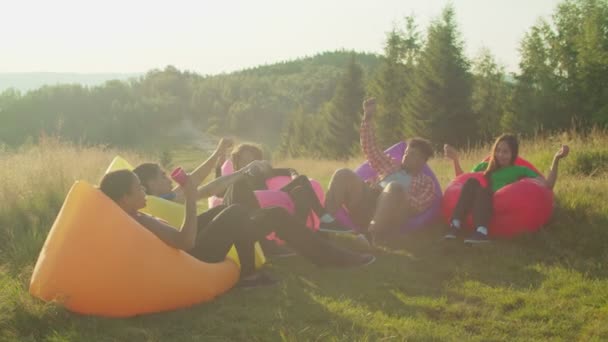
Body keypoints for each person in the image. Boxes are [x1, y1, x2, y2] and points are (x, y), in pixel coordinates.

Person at [103, 171, 375, 288]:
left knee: (265, 214)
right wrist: (190, 199)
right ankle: (332, 258)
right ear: (124, 198)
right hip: (195, 255)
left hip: (193, 249)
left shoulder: (132, 214)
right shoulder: (138, 219)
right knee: (238, 212)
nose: (143, 191)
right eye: (138, 188)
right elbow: (185, 242)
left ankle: (250, 272)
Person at [321, 98, 437, 243]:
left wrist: (393, 193)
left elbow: (417, 207)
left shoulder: (427, 183)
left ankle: (371, 235)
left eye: (412, 154)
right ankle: (326, 222)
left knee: (394, 187)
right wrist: (368, 118)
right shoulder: (391, 164)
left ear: (422, 160)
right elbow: (371, 149)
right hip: (367, 202)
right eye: (406, 152)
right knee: (343, 173)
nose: (406, 156)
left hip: (391, 214)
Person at [443, 133, 570, 243]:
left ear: (513, 154)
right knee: (471, 182)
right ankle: (455, 224)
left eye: (505, 152)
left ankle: (482, 232)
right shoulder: (484, 166)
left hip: (495, 203)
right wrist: (455, 160)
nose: (500, 155)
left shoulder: (520, 170)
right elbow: (462, 181)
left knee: (484, 190)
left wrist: (556, 159)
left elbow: (548, 185)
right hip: (477, 201)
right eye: (498, 150)